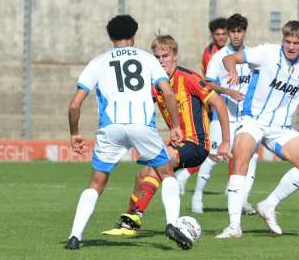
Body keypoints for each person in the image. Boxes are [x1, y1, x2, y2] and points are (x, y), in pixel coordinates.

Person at [64, 15, 192, 250]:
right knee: (166, 174)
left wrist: (75, 134)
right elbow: (168, 92)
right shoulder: (147, 58)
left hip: (110, 128)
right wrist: (175, 126)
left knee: (96, 183)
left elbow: (74, 105)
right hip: (141, 125)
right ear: (134, 36)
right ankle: (172, 223)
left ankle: (75, 236)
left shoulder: (98, 62)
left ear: (110, 36)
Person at [216, 20, 299, 239]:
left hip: (280, 127)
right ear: (282, 39)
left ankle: (268, 204)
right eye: (287, 41)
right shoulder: (266, 52)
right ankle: (234, 226)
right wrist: (232, 71)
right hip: (253, 119)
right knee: (240, 159)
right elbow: (230, 58)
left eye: (296, 42)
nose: (291, 46)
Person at [101, 35, 230, 237]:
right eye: (157, 57)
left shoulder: (189, 78)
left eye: (165, 55)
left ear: (175, 56)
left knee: (158, 163)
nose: (161, 60)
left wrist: (225, 141)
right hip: (176, 144)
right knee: (142, 175)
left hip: (197, 144)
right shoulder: (156, 85)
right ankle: (128, 222)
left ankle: (135, 216)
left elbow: (220, 105)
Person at [190, 13, 259, 214]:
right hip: (224, 115)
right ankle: (197, 196)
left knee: (251, 158)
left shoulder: (252, 55)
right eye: (233, 32)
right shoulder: (218, 58)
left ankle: (243, 200)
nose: (236, 35)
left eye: (240, 31)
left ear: (245, 32)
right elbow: (207, 83)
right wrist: (228, 91)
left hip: (247, 117)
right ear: (228, 33)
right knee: (214, 157)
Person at [176, 17, 228, 193]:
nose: (221, 37)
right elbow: (210, 82)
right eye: (217, 34)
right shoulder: (211, 54)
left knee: (225, 150)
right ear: (213, 35)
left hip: (223, 102)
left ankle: (233, 187)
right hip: (214, 104)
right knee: (209, 150)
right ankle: (183, 178)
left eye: (223, 33)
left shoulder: (226, 51)